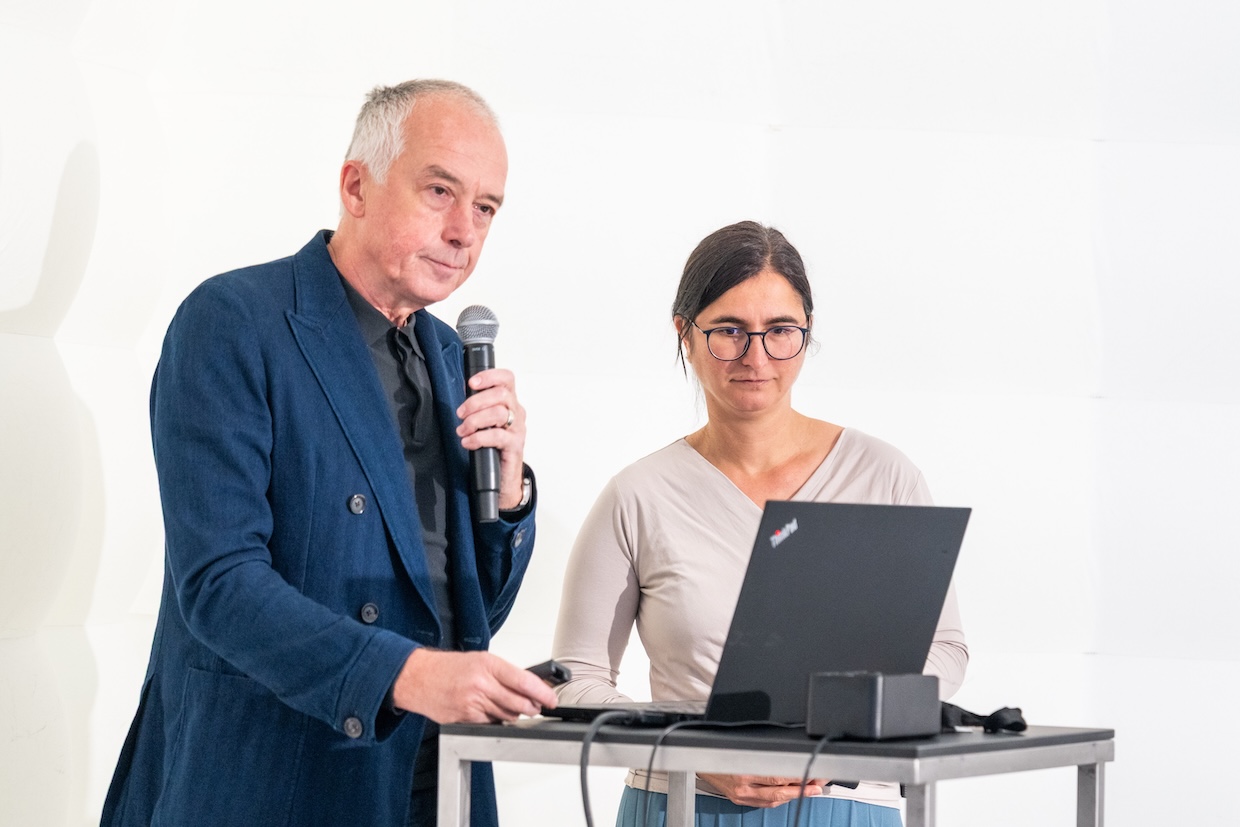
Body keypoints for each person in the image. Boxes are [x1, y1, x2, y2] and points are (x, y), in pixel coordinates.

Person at [101, 80, 557, 827]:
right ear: (356, 186)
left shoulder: (452, 359)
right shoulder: (234, 322)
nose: (463, 232)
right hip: (274, 779)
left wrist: (507, 500)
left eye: (485, 208)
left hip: (432, 779)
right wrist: (405, 674)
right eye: (439, 191)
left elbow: (471, 615)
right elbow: (219, 584)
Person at [552, 220, 968, 826]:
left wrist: (850, 722)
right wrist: (692, 752)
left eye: (780, 331)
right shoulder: (638, 495)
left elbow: (944, 648)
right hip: (681, 805)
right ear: (684, 334)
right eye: (728, 330)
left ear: (807, 332)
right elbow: (575, 678)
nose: (756, 357)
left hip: (847, 806)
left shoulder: (884, 478)